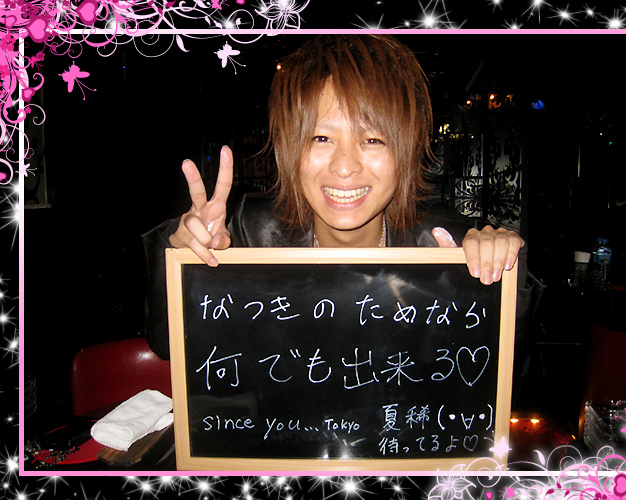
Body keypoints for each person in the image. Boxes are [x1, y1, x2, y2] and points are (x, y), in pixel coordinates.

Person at [143, 34, 526, 360]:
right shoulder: (248, 233)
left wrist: (500, 274)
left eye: (372, 139)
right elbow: (168, 344)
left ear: (407, 152)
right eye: (321, 138)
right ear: (291, 149)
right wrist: (185, 259)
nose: (344, 167)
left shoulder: (447, 248)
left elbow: (497, 372)